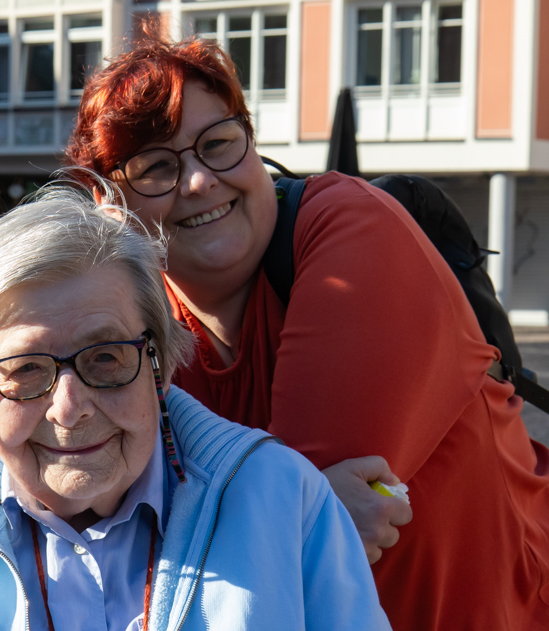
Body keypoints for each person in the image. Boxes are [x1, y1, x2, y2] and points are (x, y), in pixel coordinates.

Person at [65, 27, 549, 631]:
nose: (198, 181)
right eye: (155, 167)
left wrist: (259, 515)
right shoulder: (137, 314)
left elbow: (274, 526)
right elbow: (93, 518)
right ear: (110, 203)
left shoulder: (351, 227)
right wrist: (285, 512)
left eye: (219, 143)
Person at [0, 187, 390, 631]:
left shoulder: (287, 505)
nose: (68, 408)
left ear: (161, 363)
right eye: (25, 370)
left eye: (106, 358)